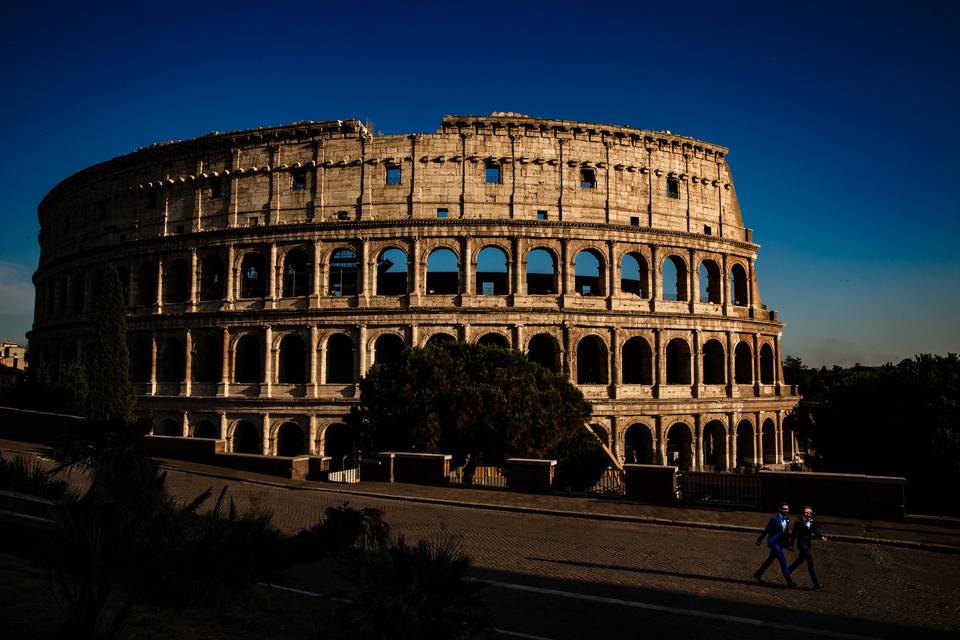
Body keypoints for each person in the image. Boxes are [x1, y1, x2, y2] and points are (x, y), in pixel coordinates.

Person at [753, 502, 796, 587]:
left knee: (770, 560)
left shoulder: (787, 519)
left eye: (787, 509)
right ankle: (789, 581)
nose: (786, 510)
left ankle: (758, 574)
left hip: (781, 544)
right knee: (783, 561)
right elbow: (767, 530)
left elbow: (786, 534)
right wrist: (759, 539)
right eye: (784, 509)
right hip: (774, 543)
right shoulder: (773, 519)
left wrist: (789, 545)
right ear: (780, 509)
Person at [789, 505, 827, 589]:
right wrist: (791, 545)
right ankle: (816, 584)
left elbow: (815, 530)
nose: (806, 514)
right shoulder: (798, 522)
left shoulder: (812, 522)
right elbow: (793, 534)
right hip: (801, 545)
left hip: (808, 544)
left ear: (811, 514)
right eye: (805, 512)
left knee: (799, 561)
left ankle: (787, 572)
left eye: (808, 513)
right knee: (810, 561)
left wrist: (821, 536)